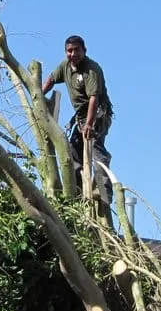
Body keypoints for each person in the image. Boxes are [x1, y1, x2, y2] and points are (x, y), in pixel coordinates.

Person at [41, 35, 114, 202]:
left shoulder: (91, 69)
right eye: (69, 50)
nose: (73, 54)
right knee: (73, 149)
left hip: (98, 113)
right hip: (81, 116)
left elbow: (94, 98)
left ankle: (104, 191)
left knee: (95, 146)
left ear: (84, 51)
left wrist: (89, 124)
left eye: (77, 50)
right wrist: (38, 95)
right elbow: (51, 80)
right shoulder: (65, 66)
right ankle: (80, 190)